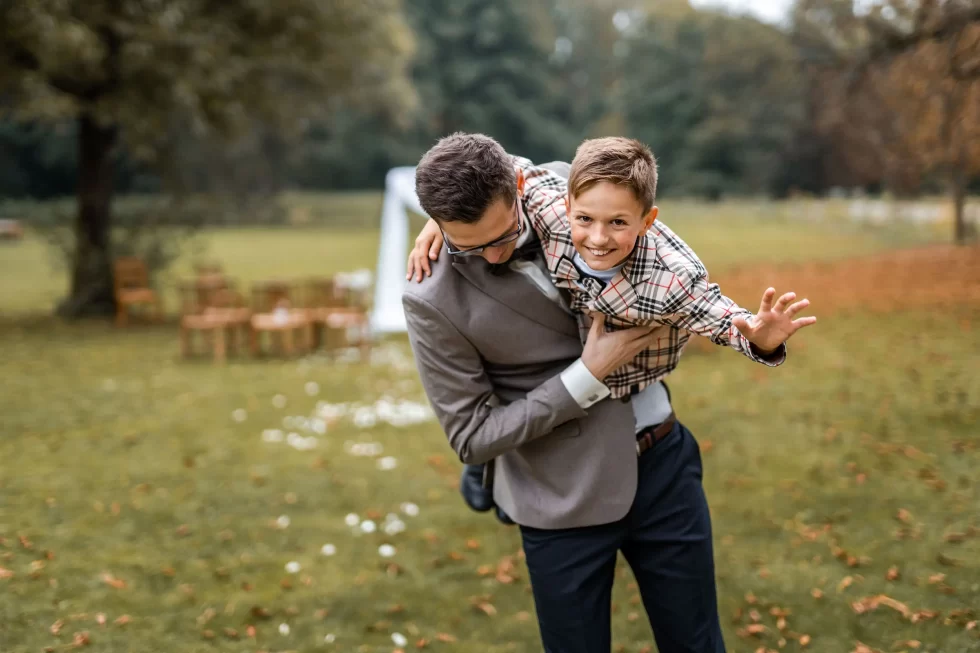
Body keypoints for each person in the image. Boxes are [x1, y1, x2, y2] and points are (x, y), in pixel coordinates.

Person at [401, 132, 813, 653]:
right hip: (558, 495)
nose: (494, 254)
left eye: (503, 235)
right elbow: (472, 434)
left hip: (662, 463)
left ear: (519, 189)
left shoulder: (563, 192)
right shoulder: (428, 297)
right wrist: (587, 375)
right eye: (471, 245)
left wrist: (759, 342)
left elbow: (703, 302)